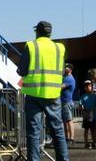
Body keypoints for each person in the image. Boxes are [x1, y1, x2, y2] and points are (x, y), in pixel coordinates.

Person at [19, 20, 69, 161]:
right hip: (53, 94)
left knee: (34, 132)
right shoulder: (59, 48)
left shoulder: (31, 46)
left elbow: (22, 70)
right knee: (57, 130)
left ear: (37, 31)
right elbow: (62, 71)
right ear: (50, 33)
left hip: (34, 95)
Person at [81, 79, 96, 149]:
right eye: (86, 86)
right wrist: (82, 107)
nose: (88, 87)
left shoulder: (95, 96)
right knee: (86, 130)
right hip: (86, 116)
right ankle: (86, 143)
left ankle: (93, 143)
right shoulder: (83, 96)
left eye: (89, 86)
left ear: (92, 87)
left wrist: (92, 109)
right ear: (84, 88)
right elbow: (80, 104)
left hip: (93, 116)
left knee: (93, 130)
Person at [61, 67, 77, 141]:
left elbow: (61, 87)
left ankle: (71, 137)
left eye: (67, 67)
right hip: (64, 101)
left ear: (70, 70)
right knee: (65, 120)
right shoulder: (66, 77)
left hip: (67, 101)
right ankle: (67, 136)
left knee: (69, 120)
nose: (65, 68)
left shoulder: (69, 78)